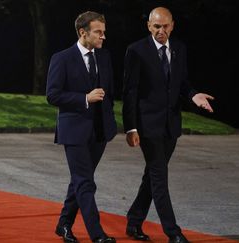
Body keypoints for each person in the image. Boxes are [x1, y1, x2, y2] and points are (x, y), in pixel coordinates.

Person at [122, 7, 214, 243]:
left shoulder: (179, 48)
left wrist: (194, 95)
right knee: (159, 177)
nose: (161, 31)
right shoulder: (136, 51)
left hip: (171, 125)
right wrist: (130, 127)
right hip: (147, 126)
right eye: (156, 26)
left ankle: (133, 221)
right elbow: (129, 92)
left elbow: (181, 83)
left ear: (172, 25)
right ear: (148, 26)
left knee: (152, 177)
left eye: (165, 26)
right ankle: (173, 232)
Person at [46, 11, 117, 243]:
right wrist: (84, 98)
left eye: (104, 32)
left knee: (79, 180)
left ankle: (64, 224)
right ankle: (97, 235)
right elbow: (53, 95)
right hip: (74, 130)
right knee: (86, 182)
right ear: (82, 32)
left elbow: (110, 93)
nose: (103, 36)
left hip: (99, 131)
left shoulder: (104, 57)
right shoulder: (62, 58)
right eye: (98, 32)